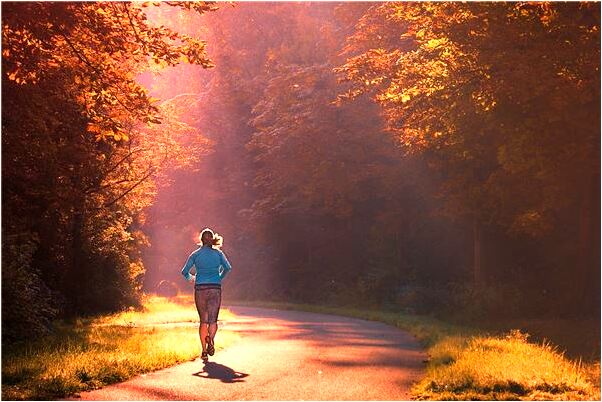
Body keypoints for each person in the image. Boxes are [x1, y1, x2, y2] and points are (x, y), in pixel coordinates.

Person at [181, 228, 232, 362]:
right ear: (212, 239)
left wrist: (191, 278)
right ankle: (211, 340)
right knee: (213, 320)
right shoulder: (218, 254)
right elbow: (228, 267)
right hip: (215, 288)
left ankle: (204, 351)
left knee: (203, 321)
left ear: (201, 240)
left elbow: (184, 271)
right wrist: (219, 277)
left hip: (200, 288)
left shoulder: (195, 254)